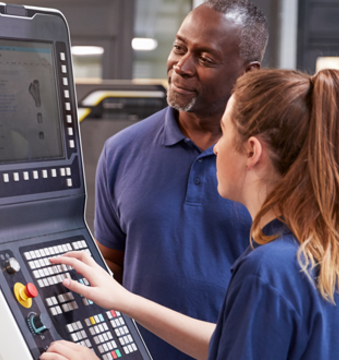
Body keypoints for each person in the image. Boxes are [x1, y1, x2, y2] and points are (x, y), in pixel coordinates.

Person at [43, 68, 339, 360]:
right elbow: (229, 343)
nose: (217, 147)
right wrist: (126, 302)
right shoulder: (311, 253)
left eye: (224, 132)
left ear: (252, 152)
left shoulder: (265, 272)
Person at [92, 1, 267, 358]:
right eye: (179, 47)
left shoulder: (270, 163)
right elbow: (110, 266)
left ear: (247, 74)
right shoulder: (120, 151)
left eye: (205, 59)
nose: (181, 67)